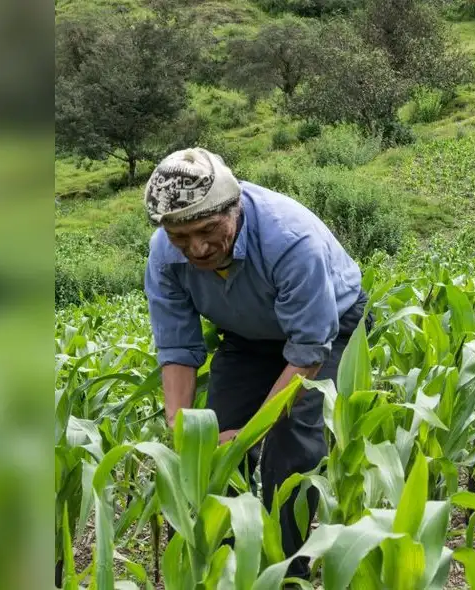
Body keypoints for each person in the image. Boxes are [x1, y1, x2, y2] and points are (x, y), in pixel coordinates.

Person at [142, 147, 370, 581]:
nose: (198, 248)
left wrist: (248, 437)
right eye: (181, 238)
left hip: (326, 328)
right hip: (247, 338)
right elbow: (176, 346)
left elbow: (307, 349)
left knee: (291, 444)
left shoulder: (290, 239)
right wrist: (182, 429)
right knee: (211, 441)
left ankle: (288, 569)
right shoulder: (165, 256)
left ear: (236, 207)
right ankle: (220, 564)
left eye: (208, 229)